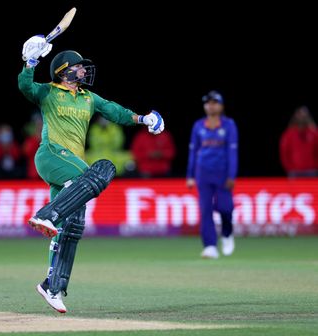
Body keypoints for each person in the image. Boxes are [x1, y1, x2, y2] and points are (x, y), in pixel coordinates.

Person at [19, 35, 165, 313]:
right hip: (51, 155)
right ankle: (47, 214)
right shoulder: (48, 92)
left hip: (72, 168)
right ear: (64, 71)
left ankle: (52, 286)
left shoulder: (88, 98)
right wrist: (30, 61)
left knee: (72, 228)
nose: (85, 71)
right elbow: (25, 86)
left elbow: (115, 111)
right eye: (80, 67)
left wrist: (143, 119)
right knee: (103, 170)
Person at [186, 90, 238, 259]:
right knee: (205, 210)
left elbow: (232, 152)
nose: (210, 105)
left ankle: (227, 233)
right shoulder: (199, 126)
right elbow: (193, 152)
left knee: (225, 208)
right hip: (203, 174)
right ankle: (210, 246)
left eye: (214, 102)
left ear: (221, 106)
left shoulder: (229, 125)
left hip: (222, 174)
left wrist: (232, 175)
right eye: (208, 103)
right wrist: (190, 175)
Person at [279, 105, 318, 177]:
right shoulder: (289, 134)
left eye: (304, 116)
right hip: (294, 171)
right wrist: (289, 168)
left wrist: (315, 166)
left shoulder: (314, 133)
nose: (301, 118)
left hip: (311, 171)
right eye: (299, 116)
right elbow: (284, 153)